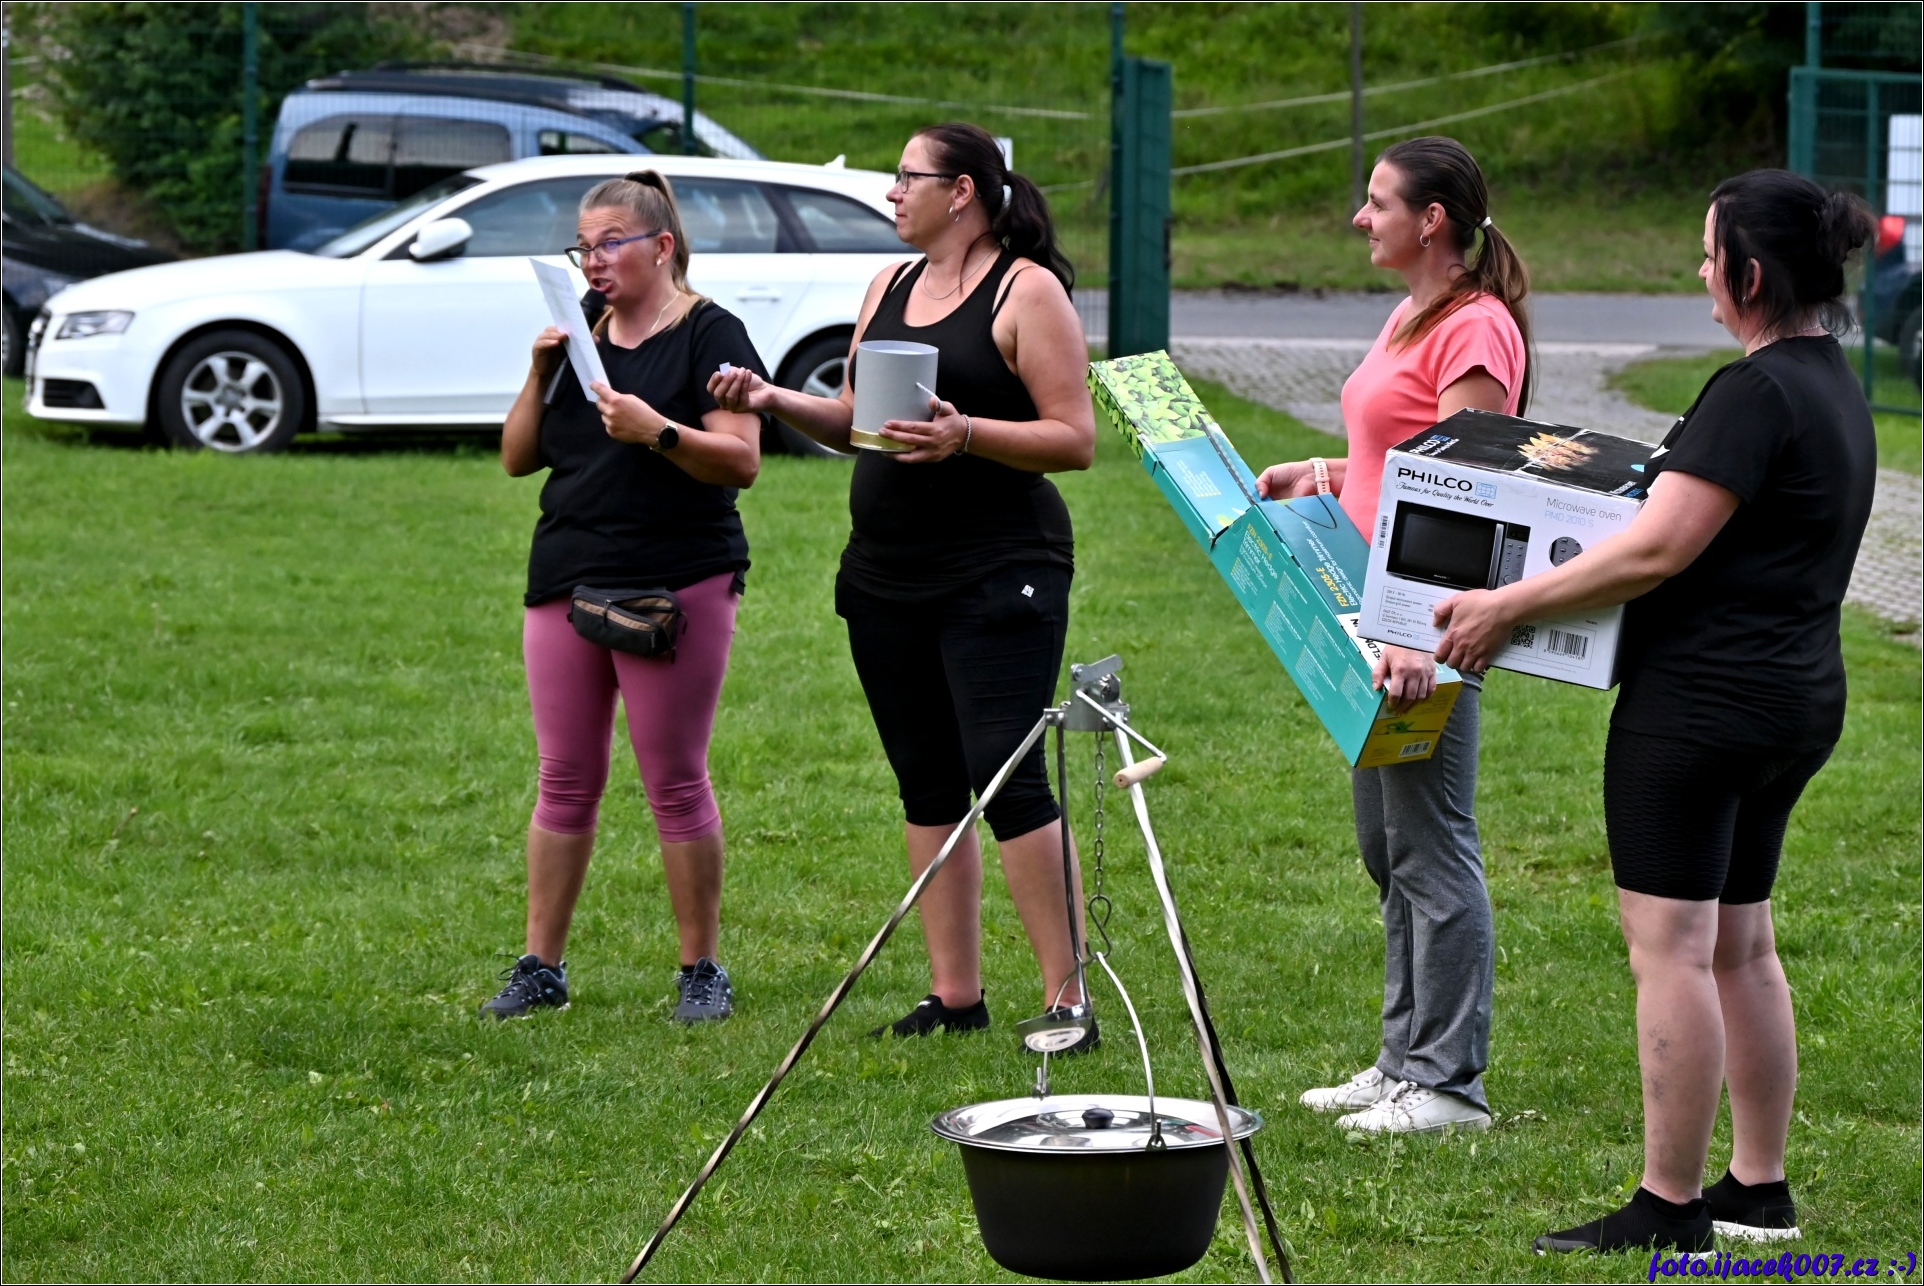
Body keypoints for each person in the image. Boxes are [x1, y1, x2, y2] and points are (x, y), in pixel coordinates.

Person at [1432, 171, 1876, 1254]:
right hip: (1794, 697)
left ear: (1749, 276)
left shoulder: (1752, 392)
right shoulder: (1831, 381)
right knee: (1742, 943)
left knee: (1668, 947)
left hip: (1701, 708)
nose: (1698, 271)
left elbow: (1656, 547)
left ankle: (1668, 1203)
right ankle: (1757, 1189)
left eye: (1709, 253)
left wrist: (1503, 606)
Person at [709, 122, 1098, 1046]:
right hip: (885, 574)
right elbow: (860, 423)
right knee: (925, 781)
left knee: (1006, 776)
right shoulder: (887, 284)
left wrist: (968, 436)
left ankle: (1068, 1001)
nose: (891, 192)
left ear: (961, 192)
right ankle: (955, 996)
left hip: (999, 571)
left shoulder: (1025, 290)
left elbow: (1073, 438)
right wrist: (772, 398)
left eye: (906, 177)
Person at [1254, 136, 1533, 1134]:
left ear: (1432, 220)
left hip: (1431, 628)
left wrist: (1420, 629)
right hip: (1371, 618)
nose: (1360, 218)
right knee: (1389, 846)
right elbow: (1398, 456)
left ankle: (1449, 1083)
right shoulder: (1413, 313)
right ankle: (1402, 1061)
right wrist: (1322, 474)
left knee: (1432, 845)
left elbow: (1470, 489)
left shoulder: (1478, 330)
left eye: (1377, 202)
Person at [481, 171, 769, 1024]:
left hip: (677, 579)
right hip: (566, 573)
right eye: (584, 247)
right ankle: (541, 966)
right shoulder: (579, 333)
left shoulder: (712, 333)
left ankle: (700, 969)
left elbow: (743, 459)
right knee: (564, 777)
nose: (594, 261)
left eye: (610, 243)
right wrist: (539, 371)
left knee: (674, 781)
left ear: (662, 246)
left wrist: (661, 432)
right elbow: (517, 458)